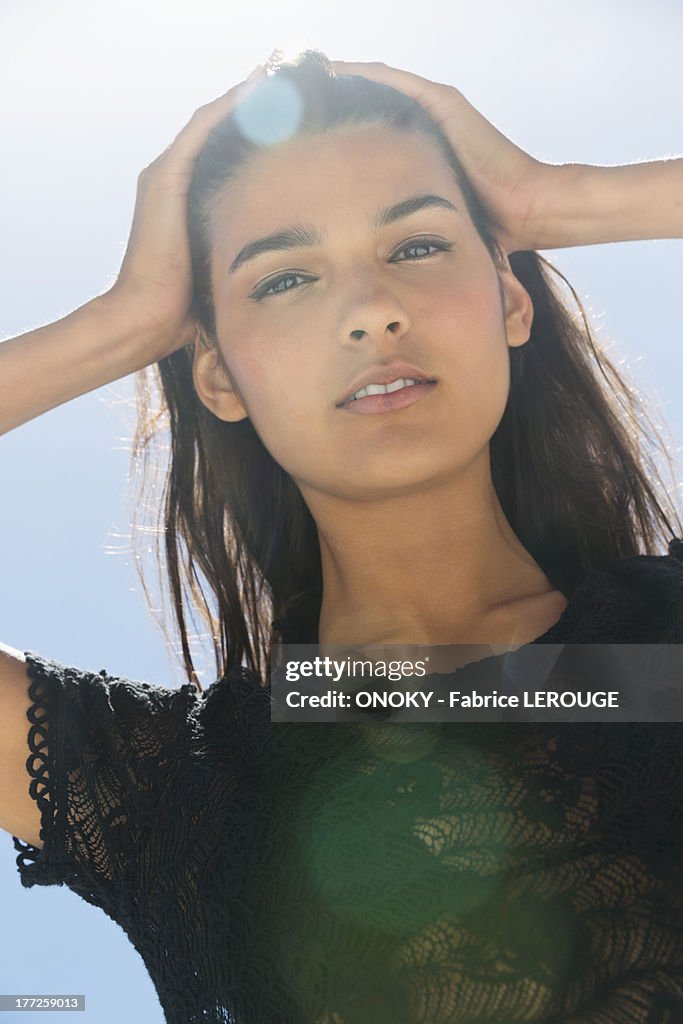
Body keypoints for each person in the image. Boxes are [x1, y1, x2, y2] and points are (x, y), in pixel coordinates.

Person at [2, 48, 683, 1023]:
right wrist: (120, 325)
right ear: (217, 377)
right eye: (282, 280)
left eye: (414, 247)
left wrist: (561, 198)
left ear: (511, 299)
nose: (370, 312)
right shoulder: (178, 796)